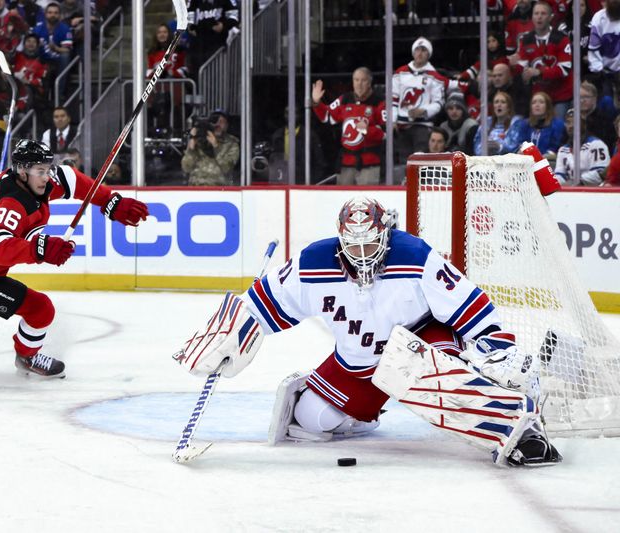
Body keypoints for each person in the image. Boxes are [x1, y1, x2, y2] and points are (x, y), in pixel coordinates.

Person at [173, 196, 562, 467]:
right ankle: (365, 414)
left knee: (427, 378)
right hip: (359, 363)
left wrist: (498, 349)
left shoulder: (415, 257)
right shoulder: (313, 263)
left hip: (421, 344)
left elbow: (470, 305)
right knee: (310, 420)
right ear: (341, 239)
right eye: (353, 247)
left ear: (385, 233)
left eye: (370, 244)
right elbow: (258, 304)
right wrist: (226, 336)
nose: (362, 256)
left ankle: (516, 427)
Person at [0, 140, 149, 378]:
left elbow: (70, 178)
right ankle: (28, 357)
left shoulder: (34, 182)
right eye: (41, 171)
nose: (47, 176)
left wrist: (109, 200)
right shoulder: (11, 203)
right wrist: (40, 249)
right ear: (23, 171)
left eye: (47, 169)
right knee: (40, 309)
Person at [312, 67, 385, 185]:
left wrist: (367, 130)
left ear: (370, 82)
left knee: (366, 201)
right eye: (356, 80)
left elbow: (387, 133)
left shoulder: (379, 102)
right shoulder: (345, 99)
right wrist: (316, 103)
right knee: (344, 202)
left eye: (363, 80)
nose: (359, 84)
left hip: (369, 165)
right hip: (346, 163)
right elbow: (327, 116)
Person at [392, 37, 446, 178]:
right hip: (402, 125)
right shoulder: (400, 72)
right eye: (417, 49)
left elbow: (438, 103)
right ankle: (404, 189)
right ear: (413, 52)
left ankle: (420, 189)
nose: (420, 53)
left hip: (422, 126)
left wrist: (424, 111)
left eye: (424, 50)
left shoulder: (435, 76)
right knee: (404, 162)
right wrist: (392, 120)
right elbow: (392, 99)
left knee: (420, 161)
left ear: (428, 54)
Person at [511, 0, 573, 118]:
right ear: (532, 17)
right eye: (536, 13)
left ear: (550, 17)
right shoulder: (526, 39)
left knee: (557, 124)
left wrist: (539, 72)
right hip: (539, 96)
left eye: (543, 14)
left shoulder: (561, 38)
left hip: (561, 95)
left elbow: (564, 69)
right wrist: (517, 66)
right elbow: (522, 65)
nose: (539, 17)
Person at [181, 109, 240, 186]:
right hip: (196, 188)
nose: (218, 124)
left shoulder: (232, 144)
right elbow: (186, 168)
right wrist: (191, 149)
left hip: (220, 189)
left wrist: (216, 146)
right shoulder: (199, 140)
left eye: (222, 122)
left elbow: (227, 168)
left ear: (227, 125)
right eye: (215, 121)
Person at [553, 108, 610, 186]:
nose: (571, 125)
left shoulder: (596, 144)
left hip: (595, 192)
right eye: (568, 122)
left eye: (575, 122)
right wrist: (553, 183)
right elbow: (560, 175)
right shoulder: (562, 150)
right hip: (571, 193)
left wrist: (577, 182)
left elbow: (601, 172)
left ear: (584, 124)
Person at [503, 91, 566, 156]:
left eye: (541, 102)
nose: (537, 105)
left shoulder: (557, 124)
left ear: (548, 106)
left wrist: (540, 158)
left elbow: (554, 148)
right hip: (528, 160)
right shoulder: (525, 124)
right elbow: (522, 144)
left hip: (549, 161)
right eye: (534, 102)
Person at [473, 91, 523, 155]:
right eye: (496, 102)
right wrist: (485, 149)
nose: (499, 105)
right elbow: (477, 145)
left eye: (503, 102)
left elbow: (514, 145)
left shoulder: (516, 122)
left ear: (509, 107)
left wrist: (499, 147)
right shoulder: (486, 123)